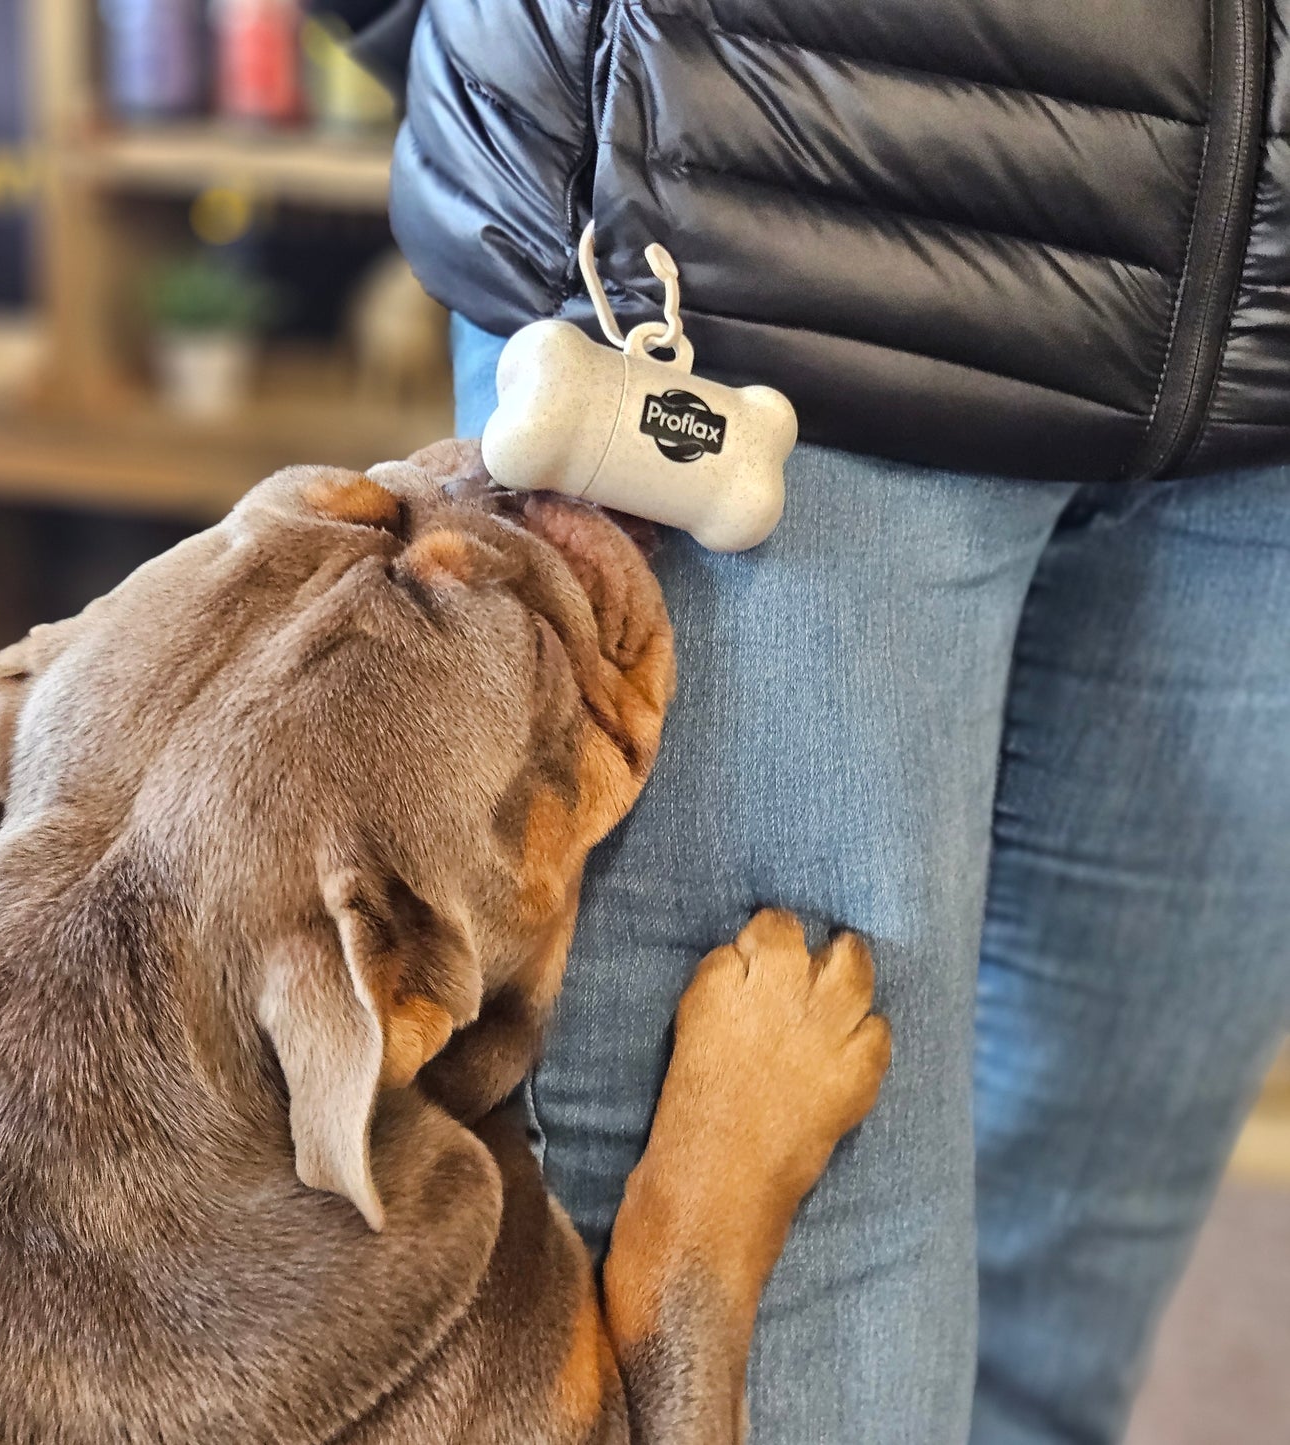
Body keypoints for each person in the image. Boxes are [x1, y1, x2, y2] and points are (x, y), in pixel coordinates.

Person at [359, 3, 1290, 1440]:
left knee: (1066, 1295)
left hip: (1270, 376)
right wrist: (554, 72)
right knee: (770, 1329)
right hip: (766, 240)